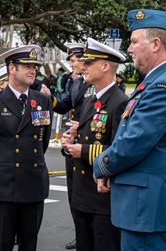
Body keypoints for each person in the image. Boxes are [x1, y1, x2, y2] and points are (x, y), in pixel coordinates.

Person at [93, 9, 166, 251]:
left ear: (156, 44)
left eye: (135, 41)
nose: (129, 48)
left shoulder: (163, 85)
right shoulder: (156, 81)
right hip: (143, 206)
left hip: (147, 207)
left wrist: (101, 165)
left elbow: (133, 143)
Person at [0, 45, 52, 251]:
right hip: (4, 187)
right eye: (27, 65)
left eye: (35, 66)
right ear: (12, 68)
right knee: (3, 244)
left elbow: (42, 141)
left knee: (30, 244)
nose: (33, 70)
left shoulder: (43, 100)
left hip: (33, 184)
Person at [61, 38, 127, 251]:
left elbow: (121, 150)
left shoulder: (120, 102)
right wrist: (69, 143)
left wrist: (83, 150)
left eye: (89, 62)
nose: (83, 66)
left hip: (102, 200)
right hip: (81, 196)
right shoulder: (90, 100)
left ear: (106, 66)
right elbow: (83, 137)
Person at [40, 42, 89, 250]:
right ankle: (81, 234)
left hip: (85, 138)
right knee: (73, 191)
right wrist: (48, 97)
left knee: (85, 190)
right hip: (73, 138)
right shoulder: (74, 81)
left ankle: (86, 235)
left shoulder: (90, 81)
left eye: (74, 60)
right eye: (70, 60)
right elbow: (63, 105)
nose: (71, 63)